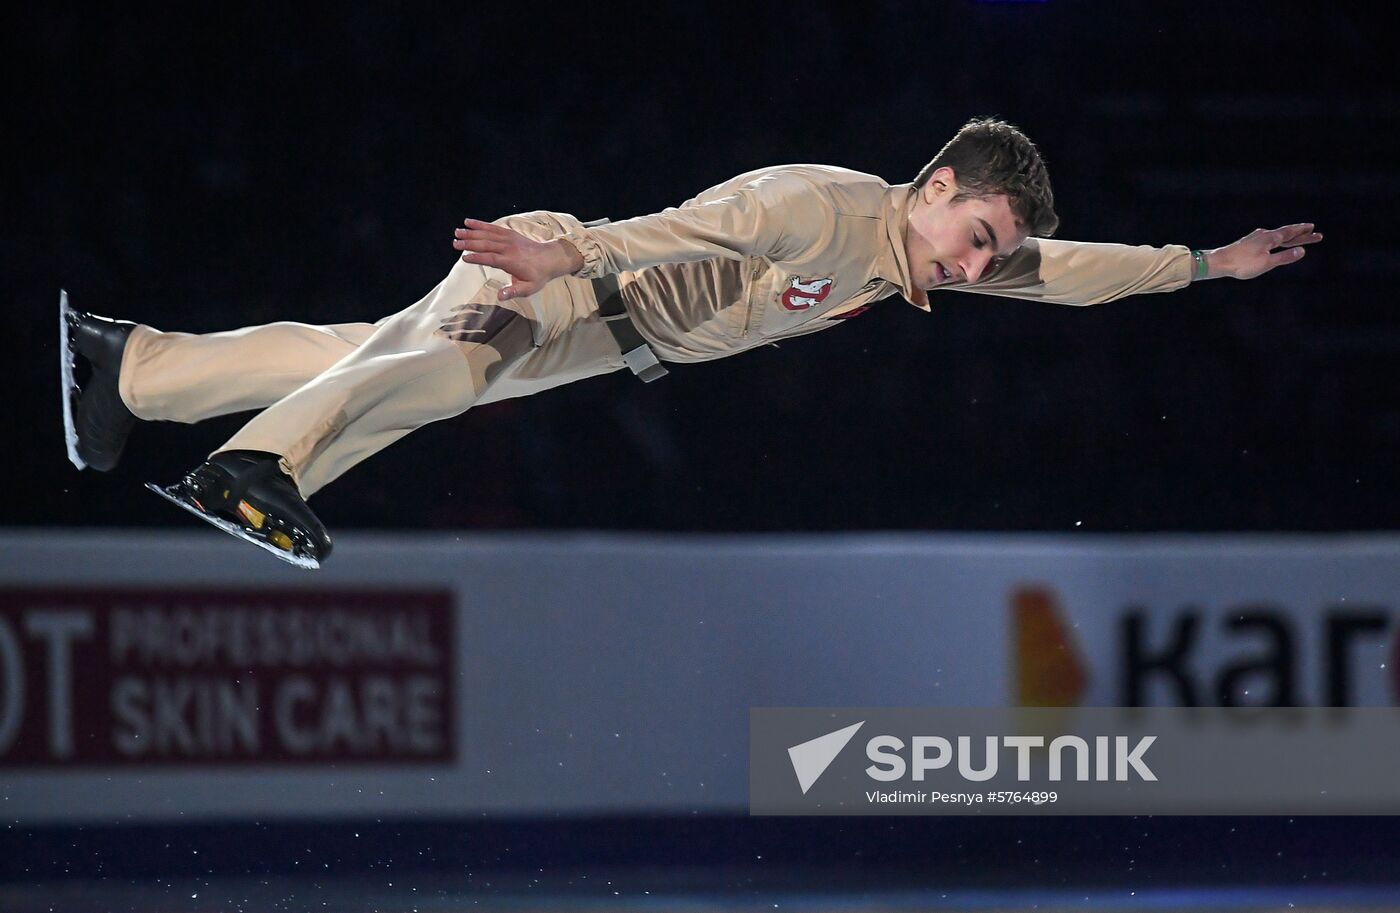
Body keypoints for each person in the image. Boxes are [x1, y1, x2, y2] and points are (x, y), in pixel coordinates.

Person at [60, 117, 1322, 568]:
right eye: (979, 234)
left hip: (603, 337)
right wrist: (563, 259)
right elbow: (686, 226)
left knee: (363, 351)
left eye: (992, 252)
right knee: (442, 373)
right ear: (935, 185)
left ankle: (133, 368)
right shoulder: (820, 207)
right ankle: (257, 464)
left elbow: (1064, 274)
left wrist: (1207, 264)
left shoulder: (908, 255)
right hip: (566, 283)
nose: (981, 265)